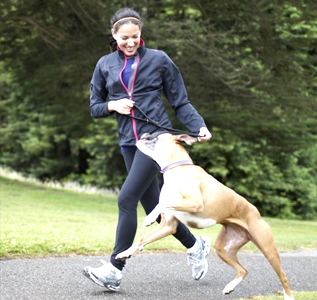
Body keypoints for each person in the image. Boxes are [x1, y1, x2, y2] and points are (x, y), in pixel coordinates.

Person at [83, 7, 212, 291]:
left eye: (135, 37)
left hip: (157, 140)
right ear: (114, 35)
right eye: (124, 38)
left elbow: (180, 102)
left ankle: (114, 270)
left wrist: (199, 125)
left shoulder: (159, 60)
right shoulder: (105, 64)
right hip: (129, 143)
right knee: (153, 207)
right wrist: (113, 105)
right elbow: (94, 106)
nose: (130, 43)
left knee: (126, 200)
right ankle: (196, 245)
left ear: (141, 35)